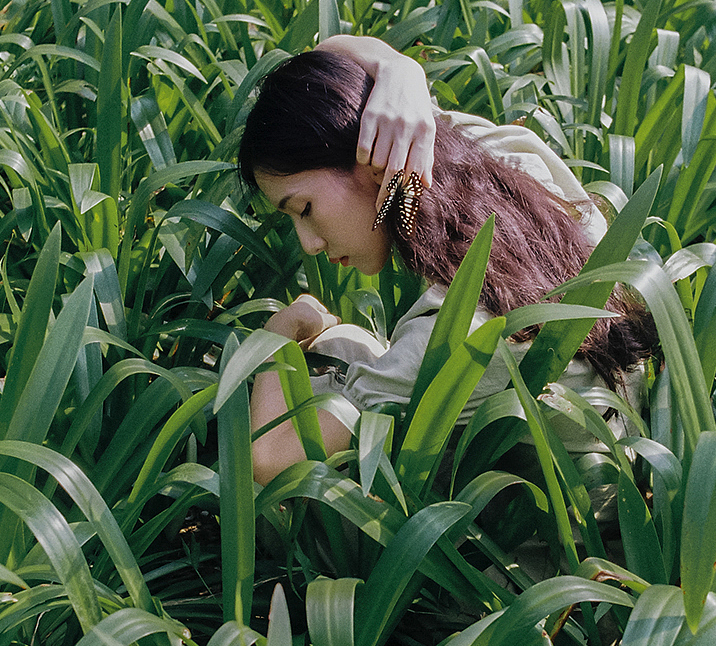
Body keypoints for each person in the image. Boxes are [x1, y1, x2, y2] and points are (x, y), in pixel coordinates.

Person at [238, 35, 656, 487]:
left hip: (538, 545)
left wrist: (281, 330)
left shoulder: (453, 337)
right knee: (348, 348)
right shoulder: (507, 161)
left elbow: (268, 463)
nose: (310, 244)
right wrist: (401, 72)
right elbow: (332, 53)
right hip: (623, 467)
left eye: (303, 209)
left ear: (373, 159)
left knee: (321, 362)